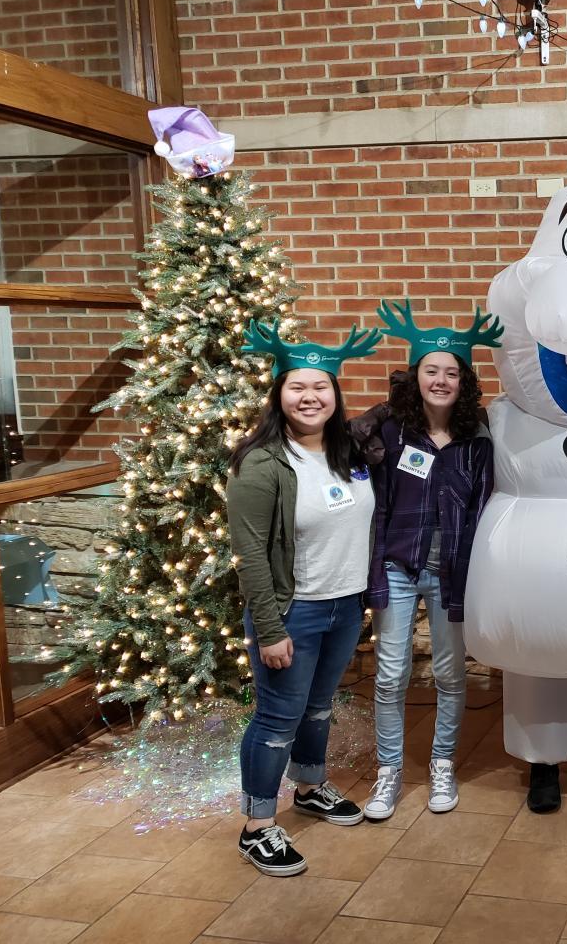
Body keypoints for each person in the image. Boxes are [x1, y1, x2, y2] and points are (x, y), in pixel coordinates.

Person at [227, 321, 383, 877]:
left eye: (321, 386)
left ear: (335, 394)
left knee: (319, 707)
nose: (310, 396)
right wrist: (270, 630)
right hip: (295, 612)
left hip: (345, 606)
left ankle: (311, 787)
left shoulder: (349, 451)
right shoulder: (262, 463)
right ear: (278, 394)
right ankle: (257, 827)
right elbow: (249, 553)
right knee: (277, 719)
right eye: (297, 386)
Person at [361, 300, 499, 819]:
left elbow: (482, 507)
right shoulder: (390, 432)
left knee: (449, 672)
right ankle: (388, 772)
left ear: (464, 381)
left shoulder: (477, 440)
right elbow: (376, 502)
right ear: (415, 375)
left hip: (451, 572)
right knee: (390, 674)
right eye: (431, 370)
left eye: (451, 373)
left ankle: (442, 764)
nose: (440, 381)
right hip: (398, 566)